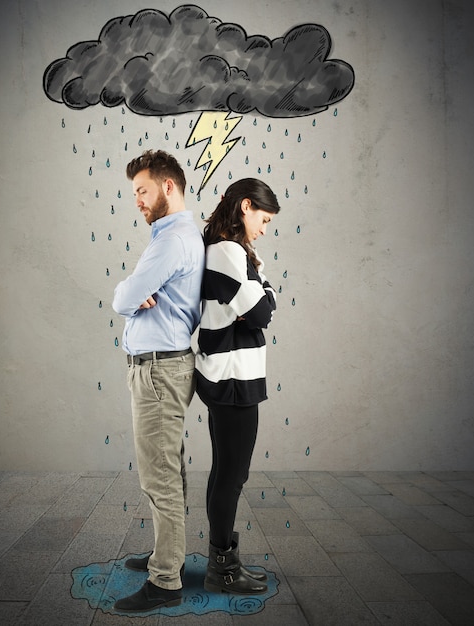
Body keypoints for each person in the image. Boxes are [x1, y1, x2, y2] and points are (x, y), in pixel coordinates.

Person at [112, 150, 205, 612]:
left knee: (159, 476)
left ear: (168, 187)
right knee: (170, 469)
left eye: (143, 191)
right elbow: (134, 295)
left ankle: (165, 581)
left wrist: (126, 295)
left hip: (157, 371)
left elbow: (125, 296)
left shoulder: (172, 241)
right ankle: (167, 556)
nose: (138, 201)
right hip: (163, 367)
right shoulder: (173, 235)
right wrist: (132, 295)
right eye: (134, 194)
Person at [195, 178, 280, 595]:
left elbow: (267, 300)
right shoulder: (228, 252)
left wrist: (262, 293)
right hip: (232, 378)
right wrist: (262, 295)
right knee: (232, 474)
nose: (264, 228)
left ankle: (223, 560)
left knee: (226, 471)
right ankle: (222, 568)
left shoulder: (231, 251)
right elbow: (263, 312)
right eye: (263, 219)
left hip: (229, 374)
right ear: (245, 207)